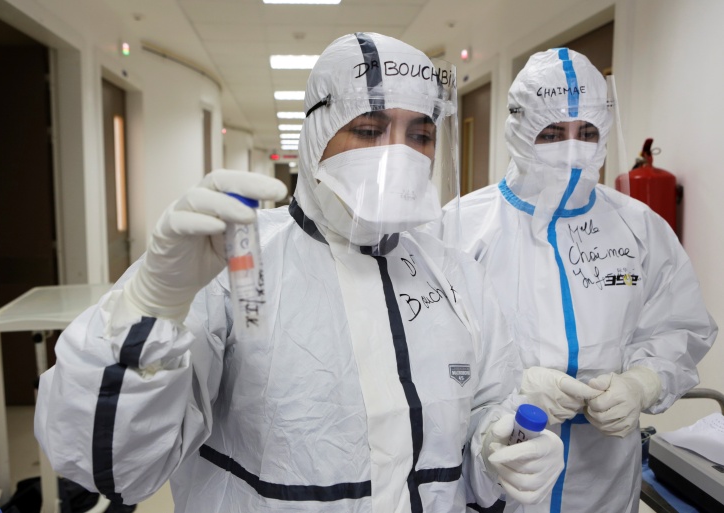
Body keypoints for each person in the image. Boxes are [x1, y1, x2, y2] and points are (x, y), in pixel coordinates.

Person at [35, 33, 565, 512]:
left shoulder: (455, 275)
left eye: (420, 136)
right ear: (316, 136)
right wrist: (151, 307)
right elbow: (111, 466)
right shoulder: (235, 263)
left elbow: (485, 412)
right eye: (369, 129)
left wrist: (498, 448)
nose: (397, 155)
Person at [439, 48, 718, 513]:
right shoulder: (462, 227)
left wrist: (644, 382)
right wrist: (513, 390)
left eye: (586, 132)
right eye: (551, 133)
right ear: (519, 129)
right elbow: (431, 354)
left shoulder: (638, 227)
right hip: (499, 474)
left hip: (604, 479)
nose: (572, 150)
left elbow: (679, 326)